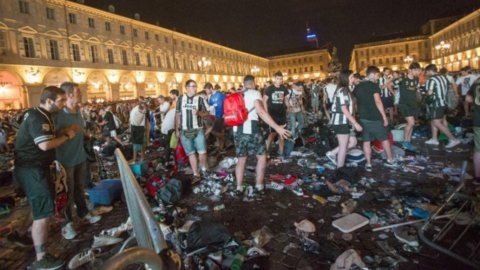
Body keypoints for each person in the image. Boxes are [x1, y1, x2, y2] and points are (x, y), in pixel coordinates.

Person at [14, 86, 79, 269]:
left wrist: (63, 131)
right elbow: (45, 145)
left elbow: (44, 138)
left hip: (31, 168)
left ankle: (23, 234)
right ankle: (41, 258)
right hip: (33, 170)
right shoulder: (38, 117)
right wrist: (67, 134)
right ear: (49, 101)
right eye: (61, 100)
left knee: (37, 206)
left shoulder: (41, 114)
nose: (64, 103)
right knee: (44, 214)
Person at [55, 82, 101, 240]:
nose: (81, 94)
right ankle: (66, 224)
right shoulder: (58, 114)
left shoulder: (78, 111)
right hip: (65, 160)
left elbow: (79, 130)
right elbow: (52, 136)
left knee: (80, 188)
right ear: (69, 95)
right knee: (67, 193)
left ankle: (83, 212)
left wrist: (86, 135)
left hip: (80, 157)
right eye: (78, 92)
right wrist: (66, 132)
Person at [233, 75, 291, 198]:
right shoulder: (254, 93)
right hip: (252, 129)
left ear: (244, 84)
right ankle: (259, 186)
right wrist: (277, 127)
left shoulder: (236, 94)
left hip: (236, 130)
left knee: (241, 159)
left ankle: (238, 187)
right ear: (253, 83)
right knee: (262, 156)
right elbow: (260, 111)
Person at [353, 66, 398, 172]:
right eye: (377, 75)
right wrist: (384, 117)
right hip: (375, 117)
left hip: (363, 117)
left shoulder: (357, 87)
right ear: (372, 74)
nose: (378, 78)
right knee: (384, 138)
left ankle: (368, 164)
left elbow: (355, 102)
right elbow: (378, 102)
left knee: (366, 141)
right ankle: (390, 160)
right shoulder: (373, 86)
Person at [175, 80, 210, 183]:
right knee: (191, 153)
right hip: (184, 130)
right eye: (193, 86)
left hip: (198, 129)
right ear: (186, 87)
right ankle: (196, 173)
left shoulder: (200, 99)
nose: (195, 88)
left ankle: (203, 169)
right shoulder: (180, 99)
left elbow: (207, 113)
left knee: (202, 152)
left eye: (196, 86)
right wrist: (177, 129)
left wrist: (199, 113)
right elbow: (177, 115)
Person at [326, 70, 362, 168]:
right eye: (351, 77)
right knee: (343, 146)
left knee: (353, 142)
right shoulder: (343, 90)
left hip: (344, 121)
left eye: (353, 77)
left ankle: (332, 153)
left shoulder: (345, 89)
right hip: (340, 121)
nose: (353, 79)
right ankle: (340, 169)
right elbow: (344, 109)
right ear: (345, 79)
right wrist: (355, 123)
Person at [424, 64, 460, 148]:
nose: (426, 74)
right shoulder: (444, 77)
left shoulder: (431, 79)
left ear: (430, 71)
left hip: (436, 104)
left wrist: (424, 94)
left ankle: (453, 139)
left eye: (426, 72)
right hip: (444, 103)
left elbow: (429, 93)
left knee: (436, 122)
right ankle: (434, 138)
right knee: (433, 121)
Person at [264, 71, 289, 160]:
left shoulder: (284, 88)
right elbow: (264, 101)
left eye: (281, 79)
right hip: (272, 115)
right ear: (275, 79)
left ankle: (281, 152)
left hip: (282, 115)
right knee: (272, 134)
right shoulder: (269, 89)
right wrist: (266, 113)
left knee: (281, 134)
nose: (279, 80)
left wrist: (289, 106)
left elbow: (285, 100)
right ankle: (266, 151)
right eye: (278, 79)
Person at [397, 63, 422, 151]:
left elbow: (417, 90)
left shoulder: (416, 79)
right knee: (411, 123)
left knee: (412, 123)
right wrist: (394, 93)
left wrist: (419, 96)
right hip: (404, 104)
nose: (418, 72)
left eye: (419, 70)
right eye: (416, 70)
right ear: (410, 70)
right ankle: (405, 142)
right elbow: (389, 84)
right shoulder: (403, 80)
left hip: (413, 104)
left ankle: (408, 141)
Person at [465, 77, 480, 185]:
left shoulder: (477, 82)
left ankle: (478, 177)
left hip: (478, 121)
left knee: (478, 150)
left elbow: (468, 99)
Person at [205, 82, 226, 153]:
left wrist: (225, 113)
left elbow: (226, 103)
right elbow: (210, 106)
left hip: (221, 116)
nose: (206, 92)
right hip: (214, 116)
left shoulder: (220, 94)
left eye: (207, 90)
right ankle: (220, 147)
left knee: (216, 131)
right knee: (217, 132)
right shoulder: (210, 96)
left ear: (211, 88)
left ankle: (222, 145)